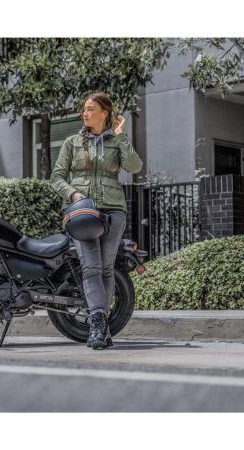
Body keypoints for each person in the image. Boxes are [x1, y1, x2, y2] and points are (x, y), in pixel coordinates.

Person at [50, 92, 143, 349]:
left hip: (114, 210)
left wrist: (121, 135)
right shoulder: (72, 142)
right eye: (84, 109)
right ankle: (98, 323)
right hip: (83, 212)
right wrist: (73, 194)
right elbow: (56, 177)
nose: (85, 113)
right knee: (90, 268)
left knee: (106, 268)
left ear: (105, 113)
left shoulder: (116, 140)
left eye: (91, 109)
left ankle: (102, 328)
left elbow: (135, 167)